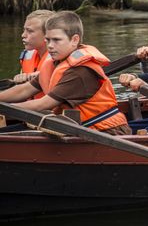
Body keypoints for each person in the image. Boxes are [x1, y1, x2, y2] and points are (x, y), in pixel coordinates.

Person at [0, 11, 131, 135]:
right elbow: (24, 90)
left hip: (105, 132)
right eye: (48, 40)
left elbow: (42, 104)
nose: (50, 46)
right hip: (77, 128)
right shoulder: (55, 63)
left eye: (56, 40)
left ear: (74, 40)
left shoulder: (80, 71)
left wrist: (4, 109)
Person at [15, 10, 54, 99]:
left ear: (47, 35)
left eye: (29, 31)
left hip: (47, 110)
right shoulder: (28, 55)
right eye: (24, 30)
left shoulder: (59, 60)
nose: (23, 35)